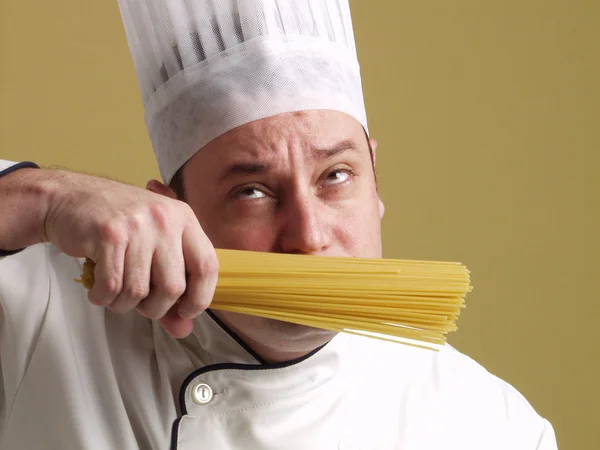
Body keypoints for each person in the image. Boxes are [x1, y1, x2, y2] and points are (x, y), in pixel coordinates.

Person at [0, 1, 557, 449]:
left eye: (336, 176)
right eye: (253, 191)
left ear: (377, 183)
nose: (308, 237)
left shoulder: (491, 427)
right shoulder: (40, 317)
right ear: (175, 209)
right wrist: (44, 197)